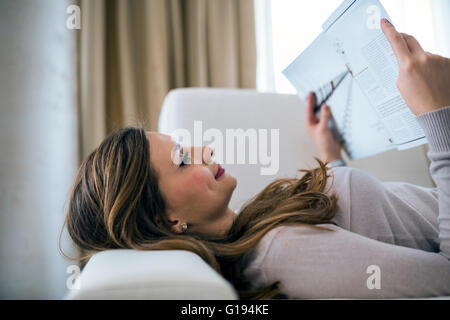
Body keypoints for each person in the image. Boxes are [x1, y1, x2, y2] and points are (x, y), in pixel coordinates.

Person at [60, 20, 450, 299]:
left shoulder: (256, 231)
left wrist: (331, 157)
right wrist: (437, 112)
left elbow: (361, 231)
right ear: (169, 220)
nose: (205, 151)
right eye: (182, 160)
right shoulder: (279, 252)